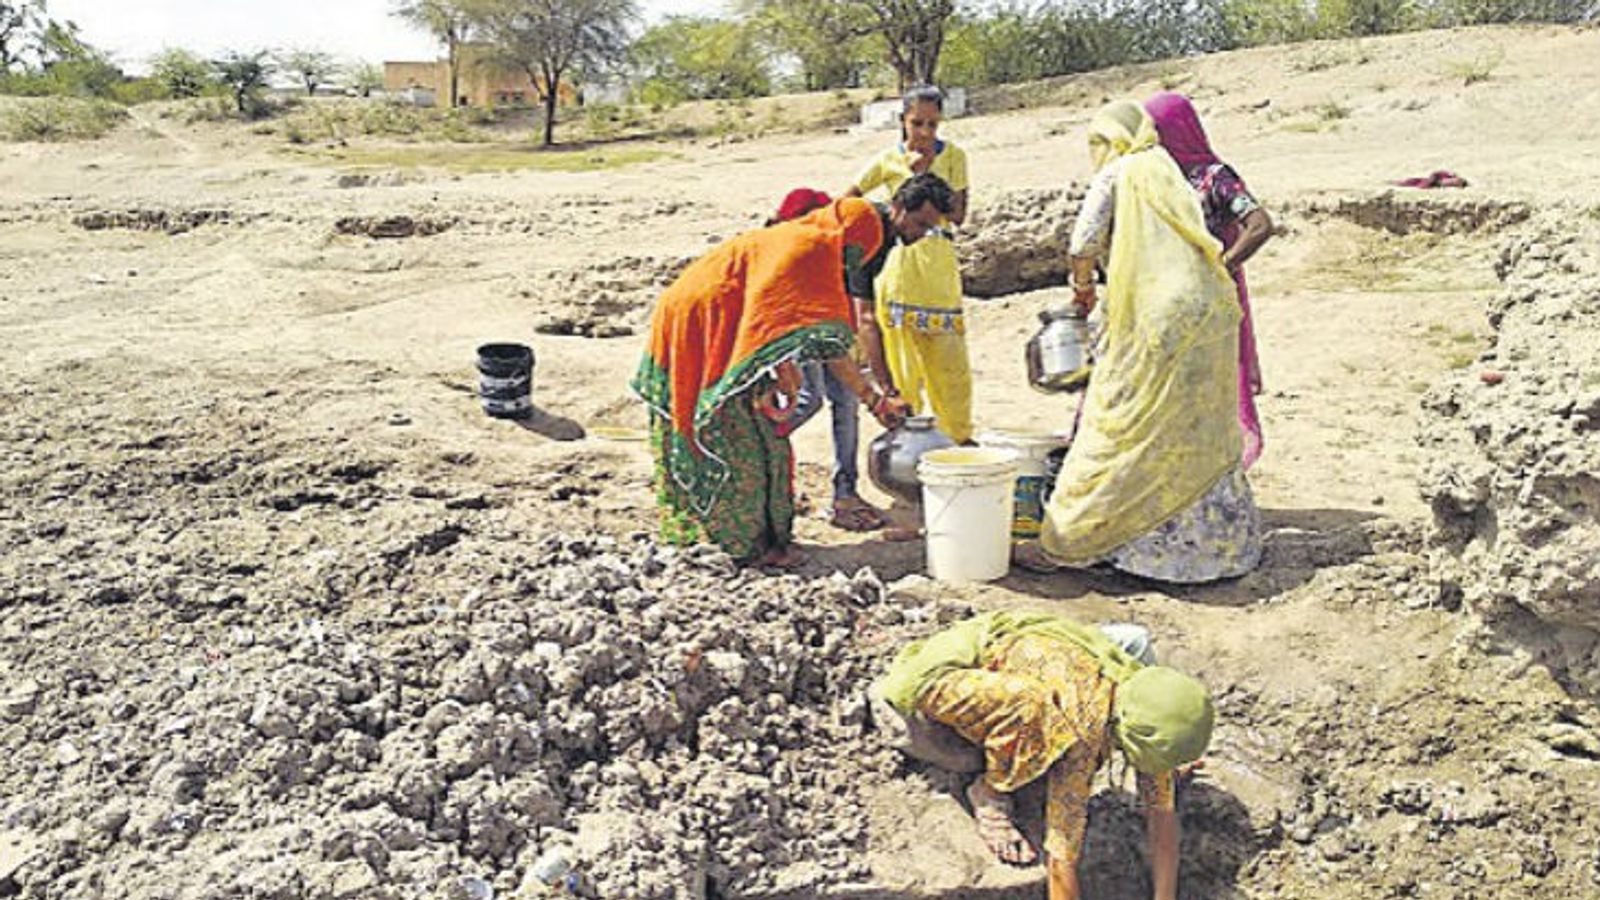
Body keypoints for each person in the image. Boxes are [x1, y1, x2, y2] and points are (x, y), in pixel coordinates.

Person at [1022, 100, 1262, 583]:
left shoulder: (1120, 173)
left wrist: (1083, 290)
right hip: (1209, 312)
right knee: (1194, 426)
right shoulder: (1173, 172)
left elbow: (1081, 243)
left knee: (1122, 424)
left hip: (1149, 319)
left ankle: (1088, 542)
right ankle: (1216, 551)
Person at [631, 198, 908, 569]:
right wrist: (872, 399)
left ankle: (761, 542)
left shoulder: (817, 244)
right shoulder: (809, 251)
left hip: (722, 322)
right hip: (701, 325)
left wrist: (785, 369)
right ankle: (736, 545)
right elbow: (823, 345)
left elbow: (777, 318)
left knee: (763, 438)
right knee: (730, 437)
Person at [872, 611, 1214, 900]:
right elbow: (1062, 852)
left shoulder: (1143, 695)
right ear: (1130, 734)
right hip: (953, 671)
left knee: (1129, 644)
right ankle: (989, 793)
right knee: (1030, 710)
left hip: (1045, 653)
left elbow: (1161, 812)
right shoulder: (1086, 728)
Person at [1146, 92, 1274, 469]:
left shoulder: (1215, 178)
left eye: (1156, 131)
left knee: (1207, 389)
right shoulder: (1159, 178)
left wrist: (1221, 268)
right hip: (1168, 302)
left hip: (1208, 304)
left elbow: (1260, 224)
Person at [845, 85, 975, 444]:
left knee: (950, 365)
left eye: (932, 124)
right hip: (898, 267)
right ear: (903, 122)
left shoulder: (954, 158)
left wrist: (931, 176)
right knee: (901, 358)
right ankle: (907, 437)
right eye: (917, 123)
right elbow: (847, 200)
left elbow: (960, 214)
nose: (925, 133)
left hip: (939, 271)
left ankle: (958, 438)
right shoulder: (888, 160)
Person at [765, 188, 888, 533]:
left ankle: (845, 492)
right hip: (802, 329)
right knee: (808, 400)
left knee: (846, 404)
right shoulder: (792, 251)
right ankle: (761, 440)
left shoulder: (838, 246)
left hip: (836, 328)